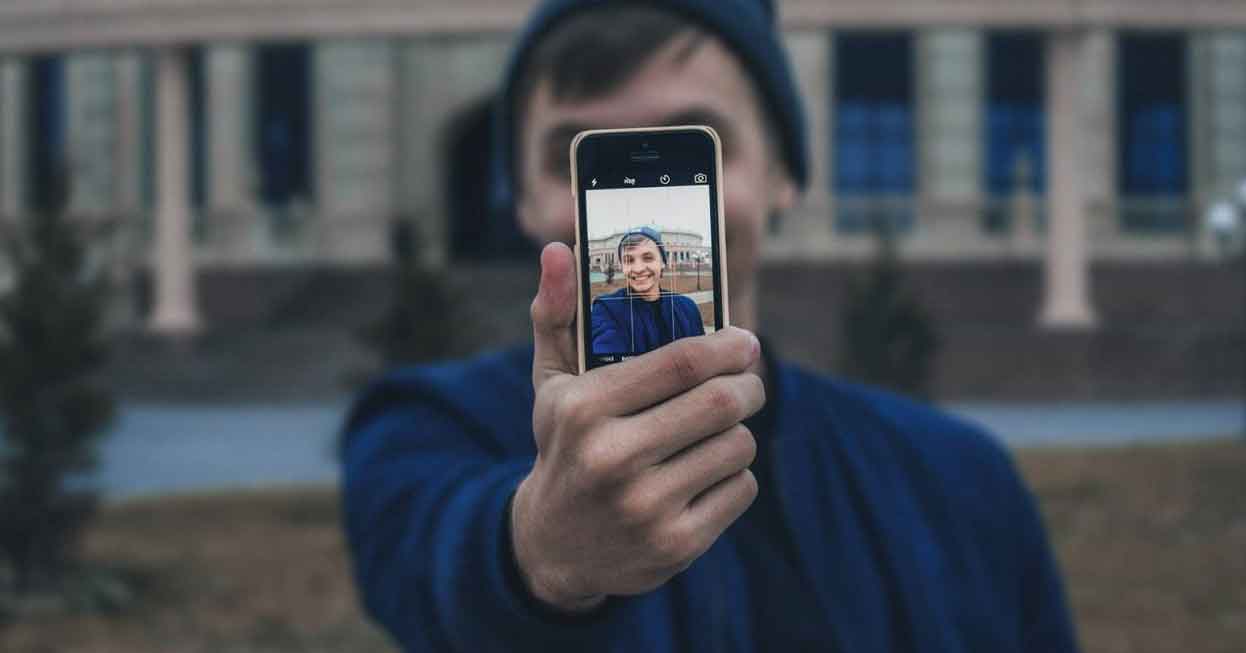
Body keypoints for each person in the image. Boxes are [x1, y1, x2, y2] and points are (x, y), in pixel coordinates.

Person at [340, 1, 1081, 651]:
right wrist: (537, 549)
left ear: (782, 176)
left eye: (692, 147)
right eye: (582, 157)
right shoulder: (420, 428)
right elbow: (428, 553)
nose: (648, 207)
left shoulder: (962, 480)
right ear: (524, 202)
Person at [591, 227, 706, 355]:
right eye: (629, 260)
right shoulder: (606, 309)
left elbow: (702, 357)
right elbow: (606, 362)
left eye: (648, 258)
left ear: (663, 262)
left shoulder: (687, 307)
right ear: (622, 266)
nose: (638, 268)